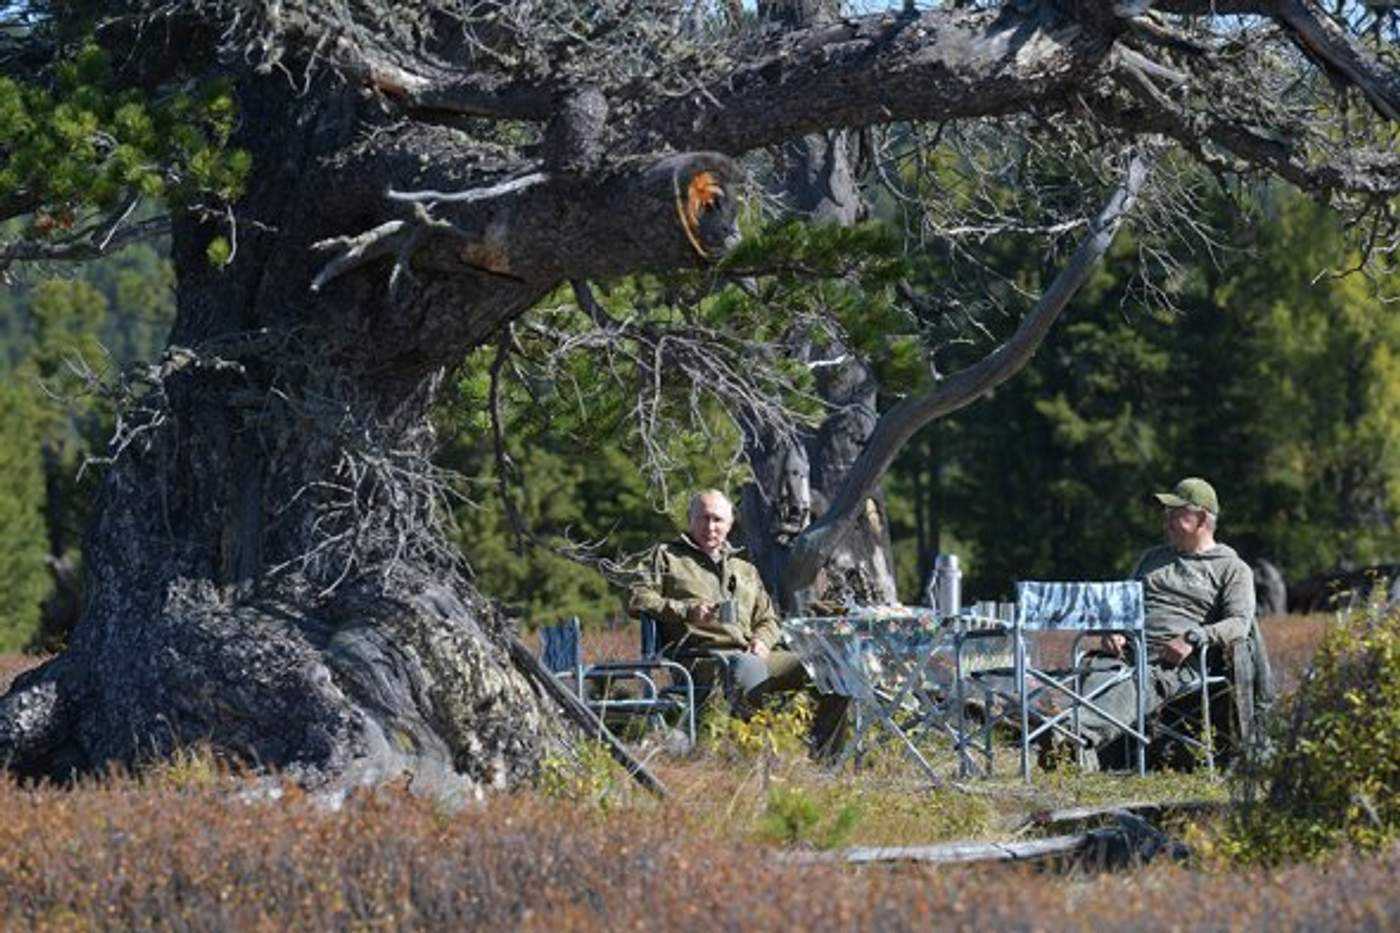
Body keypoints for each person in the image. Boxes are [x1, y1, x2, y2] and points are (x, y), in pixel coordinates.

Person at [1065, 477, 1272, 770]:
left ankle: (1073, 737)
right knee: (1100, 670)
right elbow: (1122, 606)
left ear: (1200, 518)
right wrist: (1113, 630)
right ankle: (1078, 747)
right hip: (1128, 651)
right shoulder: (1152, 558)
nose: (1167, 521)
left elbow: (1239, 623)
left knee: (1139, 682)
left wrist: (1193, 638)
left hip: (1177, 661)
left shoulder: (1232, 568)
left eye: (1175, 513)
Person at [627, 488, 849, 757]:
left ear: (730, 524)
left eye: (717, 520)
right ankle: (746, 757)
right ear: (690, 520)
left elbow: (768, 618)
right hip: (701, 657)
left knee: (833, 666)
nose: (710, 526)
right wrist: (687, 611)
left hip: (751, 654)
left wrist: (763, 641)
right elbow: (636, 597)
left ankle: (825, 759)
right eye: (703, 518)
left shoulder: (745, 570)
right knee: (746, 666)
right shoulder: (667, 557)